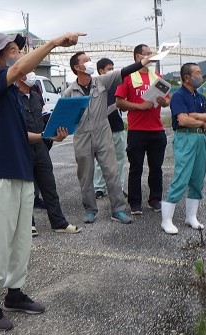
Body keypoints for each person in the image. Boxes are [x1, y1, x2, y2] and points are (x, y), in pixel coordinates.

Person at [0, 31, 84, 331]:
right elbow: (20, 69)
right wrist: (52, 43)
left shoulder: (13, 94)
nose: (17, 53)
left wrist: (49, 135)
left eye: (17, 49)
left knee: (22, 239)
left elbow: (22, 135)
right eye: (11, 50)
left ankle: (14, 294)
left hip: (22, 172)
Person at [64, 51, 153, 224]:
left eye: (90, 59)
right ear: (77, 67)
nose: (90, 62)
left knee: (111, 172)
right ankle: (90, 209)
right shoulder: (69, 92)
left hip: (103, 132)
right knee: (85, 175)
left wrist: (143, 62)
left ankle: (118, 210)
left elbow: (123, 72)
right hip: (82, 136)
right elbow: (66, 118)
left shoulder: (101, 81)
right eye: (86, 61)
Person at [17, 71, 81, 237]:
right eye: (27, 71)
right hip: (22, 150)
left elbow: (46, 116)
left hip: (40, 148)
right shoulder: (13, 98)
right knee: (26, 190)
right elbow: (15, 131)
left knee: (49, 187)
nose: (31, 74)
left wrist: (61, 123)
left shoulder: (36, 96)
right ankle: (27, 224)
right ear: (19, 76)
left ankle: (58, 222)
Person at [161, 63, 206, 234]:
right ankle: (166, 220)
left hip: (200, 139)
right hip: (185, 138)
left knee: (198, 178)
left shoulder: (199, 97)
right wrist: (203, 123)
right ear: (187, 78)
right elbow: (183, 120)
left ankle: (191, 217)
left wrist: (197, 116)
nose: (200, 75)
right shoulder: (179, 96)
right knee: (181, 177)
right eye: (197, 73)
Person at [115, 44, 170, 215]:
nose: (151, 57)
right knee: (135, 168)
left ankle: (155, 199)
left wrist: (164, 102)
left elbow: (168, 99)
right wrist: (140, 106)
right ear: (137, 57)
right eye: (147, 54)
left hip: (156, 130)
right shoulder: (128, 76)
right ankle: (135, 202)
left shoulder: (157, 76)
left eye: (151, 54)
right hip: (137, 130)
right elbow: (119, 103)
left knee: (156, 168)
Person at [92, 58, 127, 200]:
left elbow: (123, 104)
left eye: (113, 68)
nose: (112, 71)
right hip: (100, 129)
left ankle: (119, 187)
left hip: (117, 127)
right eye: (109, 68)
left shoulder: (118, 85)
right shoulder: (95, 86)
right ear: (101, 71)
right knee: (100, 160)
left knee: (119, 159)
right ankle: (99, 188)